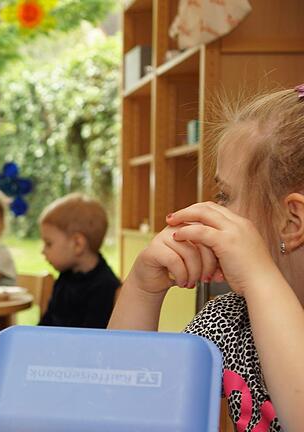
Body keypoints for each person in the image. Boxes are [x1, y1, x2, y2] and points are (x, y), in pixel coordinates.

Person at [108, 87, 304, 431]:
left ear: (292, 222)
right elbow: (121, 411)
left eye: (225, 196)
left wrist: (259, 276)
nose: (212, 211)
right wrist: (142, 290)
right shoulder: (229, 322)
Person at [37, 193, 119, 328]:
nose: (43, 251)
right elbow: (47, 322)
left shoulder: (105, 287)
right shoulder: (66, 277)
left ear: (77, 244)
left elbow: (91, 339)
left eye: (49, 243)